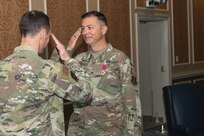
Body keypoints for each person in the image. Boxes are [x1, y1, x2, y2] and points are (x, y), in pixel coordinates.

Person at [0, 10, 93, 136]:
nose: (48, 39)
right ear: (43, 33)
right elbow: (85, 93)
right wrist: (69, 60)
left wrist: (68, 51)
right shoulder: (50, 70)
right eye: (49, 35)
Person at [52, 10, 142, 136]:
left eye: (90, 27)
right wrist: (69, 50)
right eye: (83, 28)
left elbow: (131, 103)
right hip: (80, 130)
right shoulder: (78, 60)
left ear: (104, 30)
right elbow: (55, 79)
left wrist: (132, 133)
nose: (85, 32)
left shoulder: (120, 59)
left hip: (110, 131)